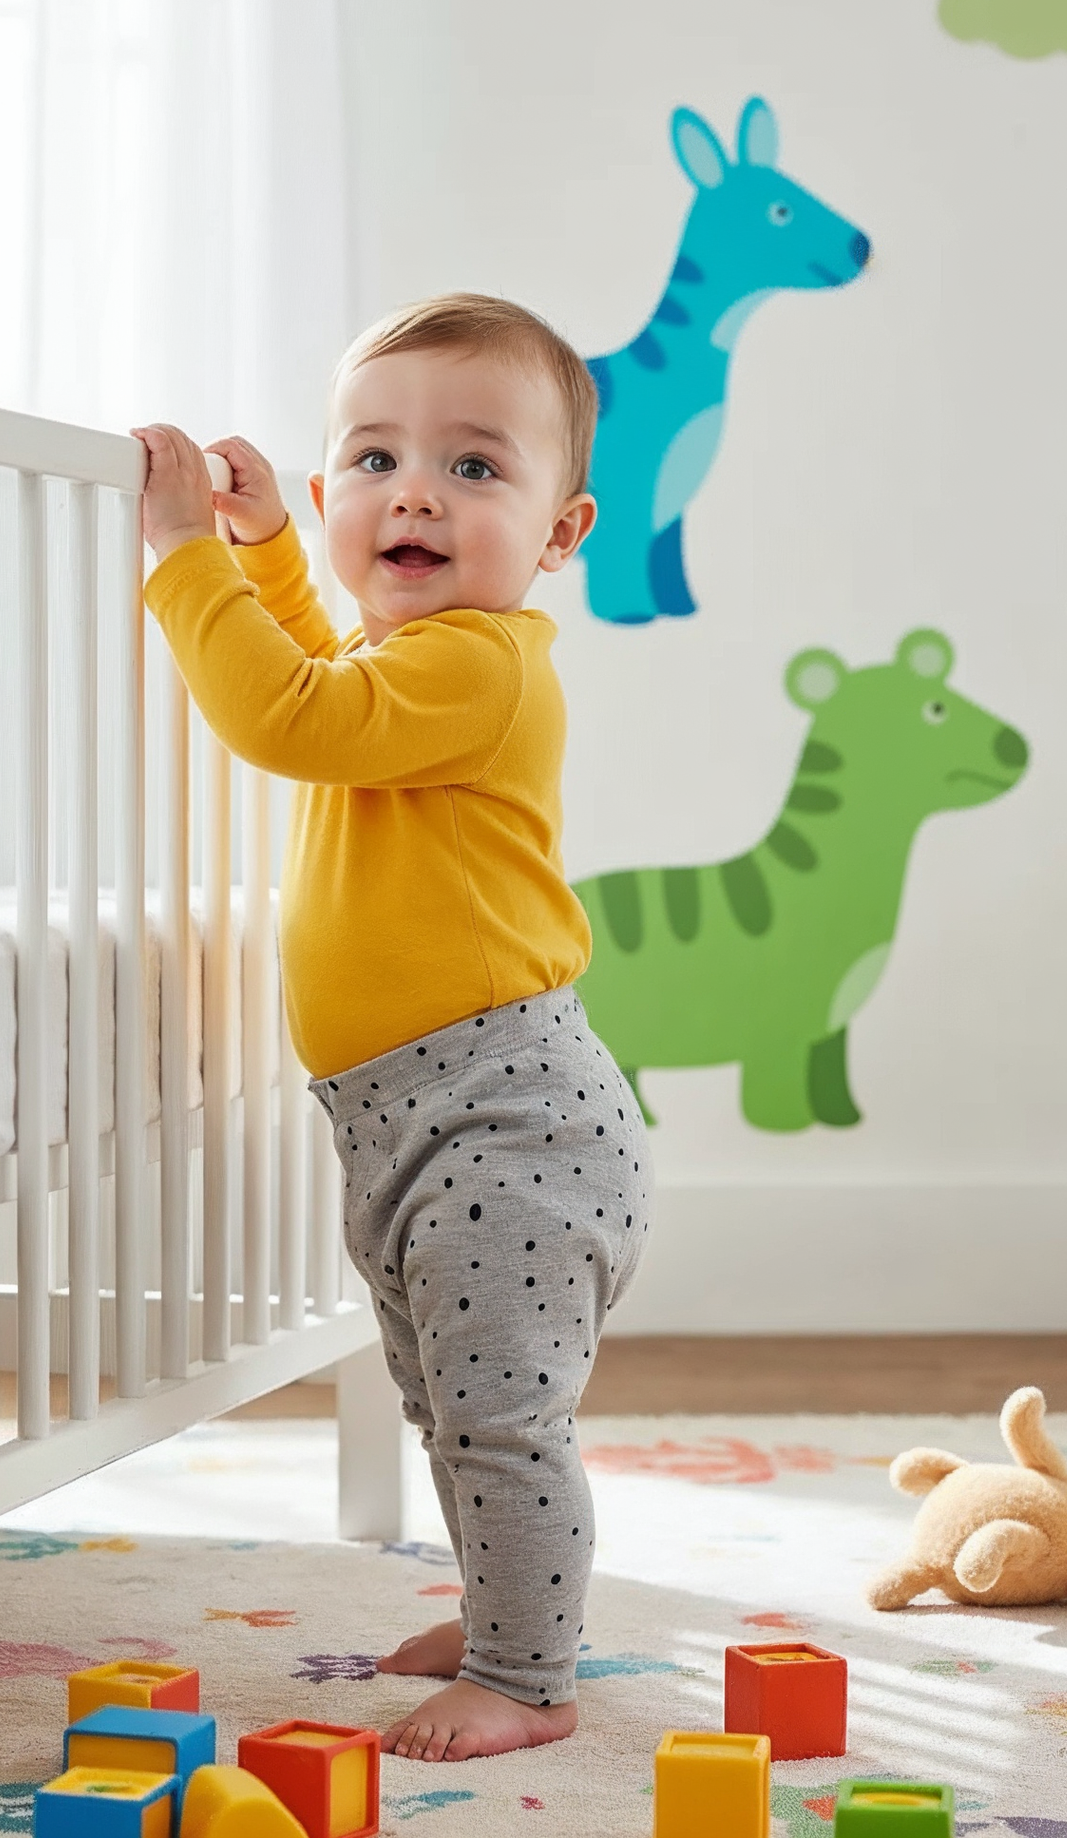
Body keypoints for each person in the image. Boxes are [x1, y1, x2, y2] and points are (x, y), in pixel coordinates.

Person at [132, 293, 651, 1762]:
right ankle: (506, 1618)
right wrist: (264, 557)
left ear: (561, 531)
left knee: (498, 1421)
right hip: (425, 1115)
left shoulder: (479, 662)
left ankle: (529, 1678)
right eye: (371, 458)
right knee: (450, 1399)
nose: (412, 489)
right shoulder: (412, 663)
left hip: (507, 1116)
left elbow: (290, 713)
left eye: (475, 468)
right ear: (330, 489)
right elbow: (323, 674)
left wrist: (184, 562)